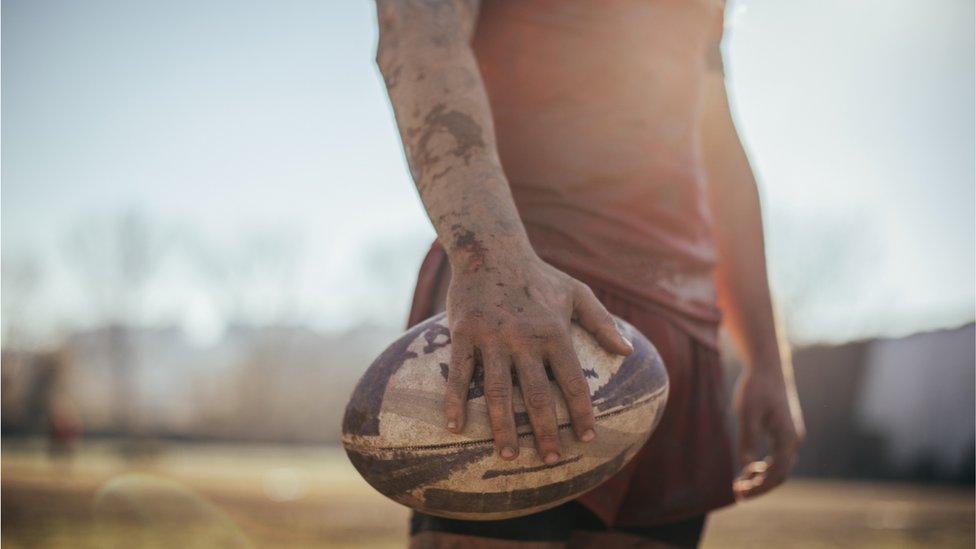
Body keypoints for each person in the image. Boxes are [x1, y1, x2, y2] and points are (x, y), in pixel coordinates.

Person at [375, 1, 804, 547]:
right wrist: (494, 259)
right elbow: (417, 35)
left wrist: (768, 358)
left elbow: (716, 145)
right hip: (532, 302)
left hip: (678, 336)